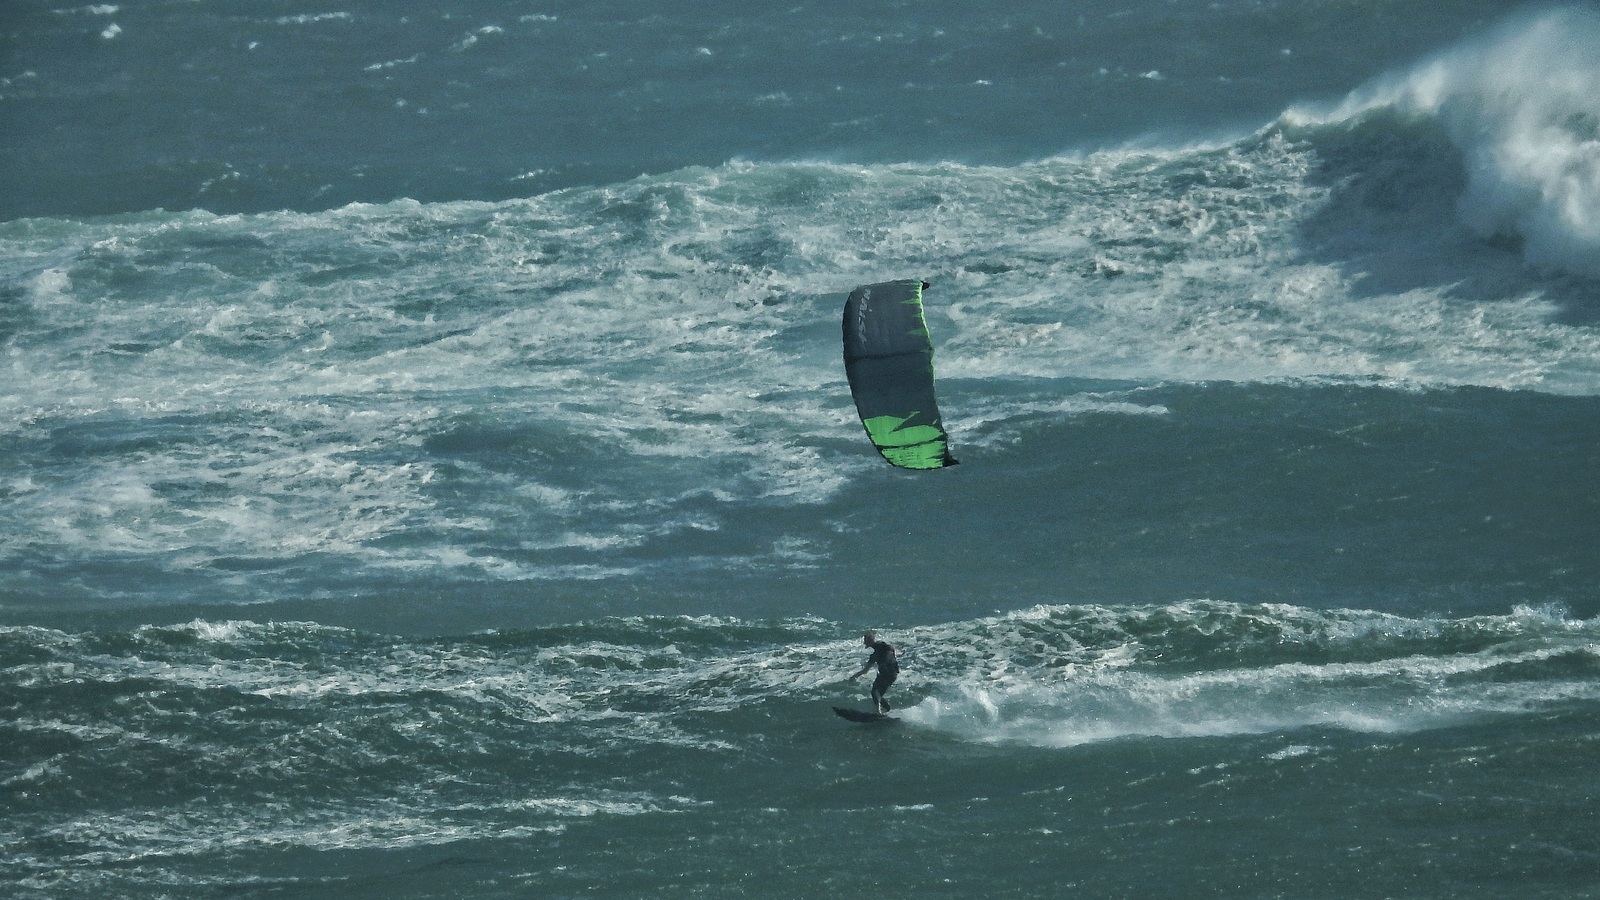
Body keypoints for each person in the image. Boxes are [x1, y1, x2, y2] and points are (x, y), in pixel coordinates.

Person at [849, 631, 899, 714]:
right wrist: (854, 676)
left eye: (866, 640)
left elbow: (891, 648)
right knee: (877, 694)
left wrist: (893, 658)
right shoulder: (874, 656)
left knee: (875, 692)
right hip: (885, 674)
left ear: (870, 640)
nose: (864, 642)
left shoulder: (880, 645)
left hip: (890, 673)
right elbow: (865, 670)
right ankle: (887, 710)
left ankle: (878, 712)